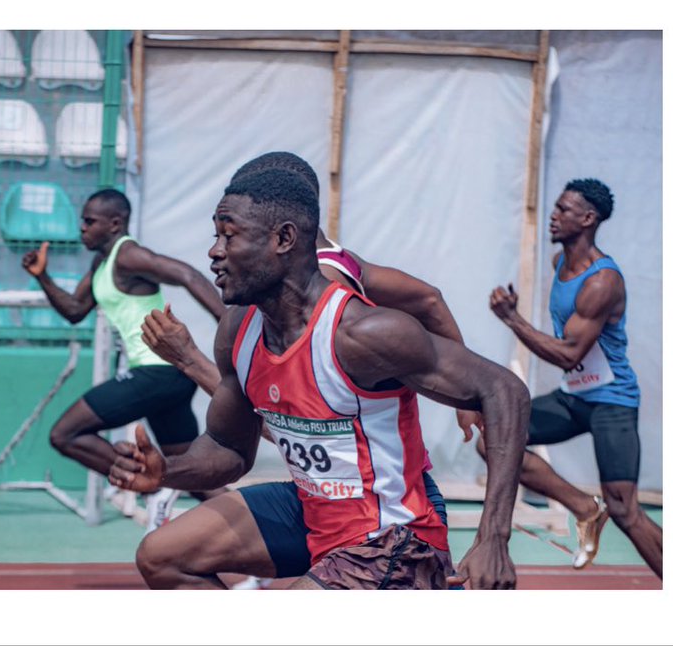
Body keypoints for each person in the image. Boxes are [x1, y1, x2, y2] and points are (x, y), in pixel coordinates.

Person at [109, 168, 529, 589]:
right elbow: (228, 448)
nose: (214, 252)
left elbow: (503, 389)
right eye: (215, 236)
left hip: (391, 537)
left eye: (228, 235)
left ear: (283, 239)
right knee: (161, 555)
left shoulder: (363, 334)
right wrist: (167, 471)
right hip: (312, 512)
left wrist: (493, 537)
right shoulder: (238, 331)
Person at [141, 151, 482, 442]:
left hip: (362, 481)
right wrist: (463, 398)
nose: (219, 249)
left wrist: (188, 359)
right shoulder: (338, 259)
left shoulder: (323, 288)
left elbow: (286, 428)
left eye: (234, 230)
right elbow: (429, 299)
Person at [22, 188, 227, 531]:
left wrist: (231, 325)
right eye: (81, 221)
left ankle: (154, 486)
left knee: (65, 435)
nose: (81, 228)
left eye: (90, 221)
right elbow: (74, 310)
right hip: (167, 378)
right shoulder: (101, 262)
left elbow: (187, 275)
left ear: (115, 223)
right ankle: (257, 529)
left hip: (158, 371)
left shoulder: (128, 255)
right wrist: (42, 277)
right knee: (192, 474)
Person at [487, 178, 661, 577]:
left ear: (587, 218)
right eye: (556, 207)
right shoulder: (559, 263)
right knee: (497, 436)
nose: (553, 215)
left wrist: (513, 320)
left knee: (624, 509)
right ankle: (584, 508)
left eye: (564, 210)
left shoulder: (603, 281)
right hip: (574, 397)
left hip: (612, 401)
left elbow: (568, 355)